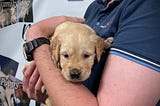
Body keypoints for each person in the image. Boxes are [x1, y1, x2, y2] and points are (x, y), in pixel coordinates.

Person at [22, 0, 160, 106]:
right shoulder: (95, 7)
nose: (75, 69)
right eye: (65, 56)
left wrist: (37, 38)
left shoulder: (148, 8)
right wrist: (49, 92)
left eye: (86, 56)